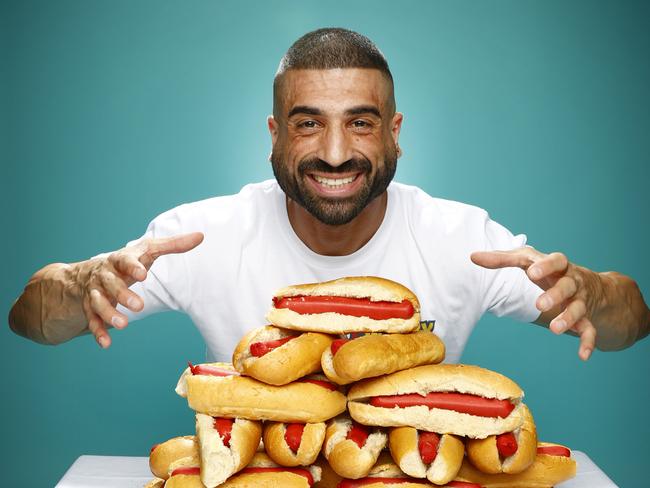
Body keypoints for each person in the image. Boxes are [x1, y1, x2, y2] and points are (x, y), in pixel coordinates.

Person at [8, 28, 649, 364]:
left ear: (396, 132)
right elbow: (28, 319)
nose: (336, 153)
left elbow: (634, 321)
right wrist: (78, 284)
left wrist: (591, 293)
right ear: (274, 134)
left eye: (361, 122)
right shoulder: (197, 235)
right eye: (308, 122)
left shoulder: (463, 239)